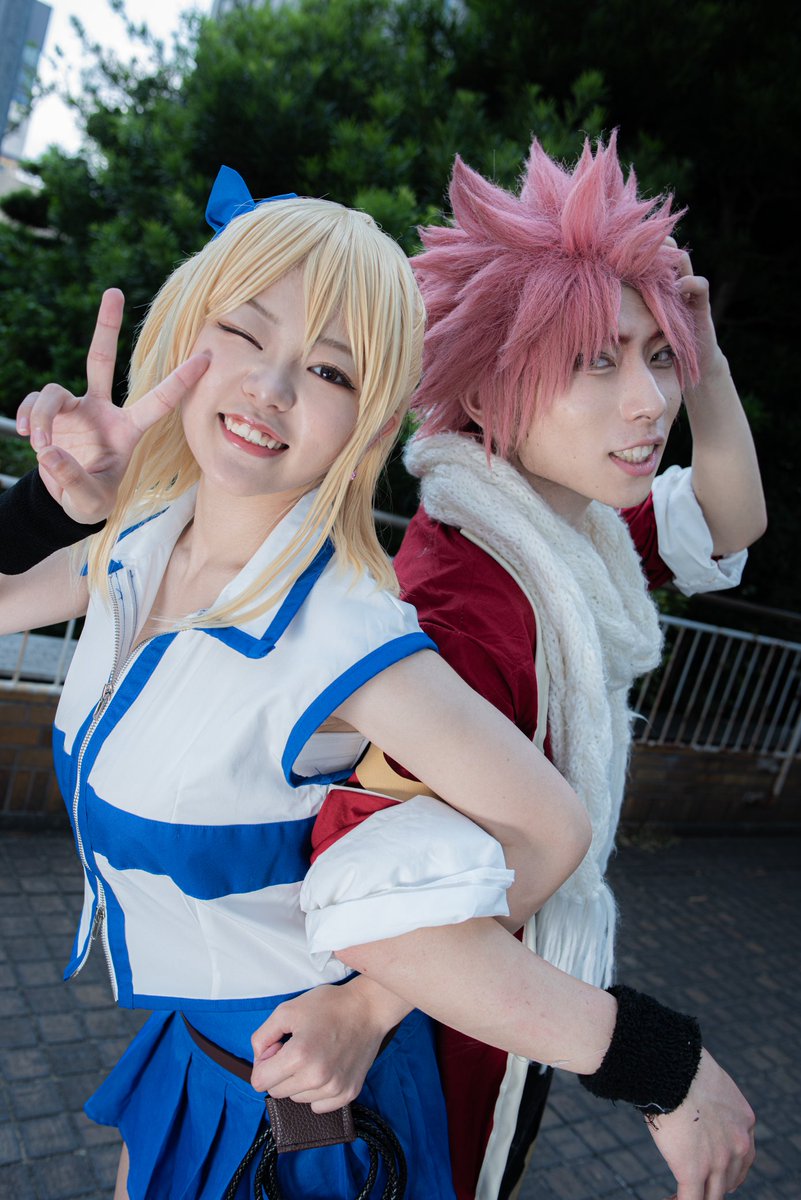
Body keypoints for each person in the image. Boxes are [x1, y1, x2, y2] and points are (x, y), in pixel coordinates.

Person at [0, 163, 755, 1200]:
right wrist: (53, 505)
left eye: (330, 371)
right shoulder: (142, 544)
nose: (270, 389)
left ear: (370, 420)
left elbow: (551, 829)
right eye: (245, 334)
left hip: (306, 1115)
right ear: (183, 333)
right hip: (187, 1054)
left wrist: (367, 1007)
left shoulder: (351, 633)